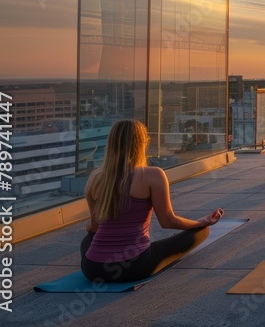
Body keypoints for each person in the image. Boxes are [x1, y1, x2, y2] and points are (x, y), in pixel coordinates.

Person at [81, 119, 224, 283]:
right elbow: (168, 221)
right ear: (142, 143)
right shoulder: (152, 175)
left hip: (92, 269)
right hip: (134, 266)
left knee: (88, 238)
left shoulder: (96, 178)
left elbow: (94, 226)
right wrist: (201, 222)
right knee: (202, 231)